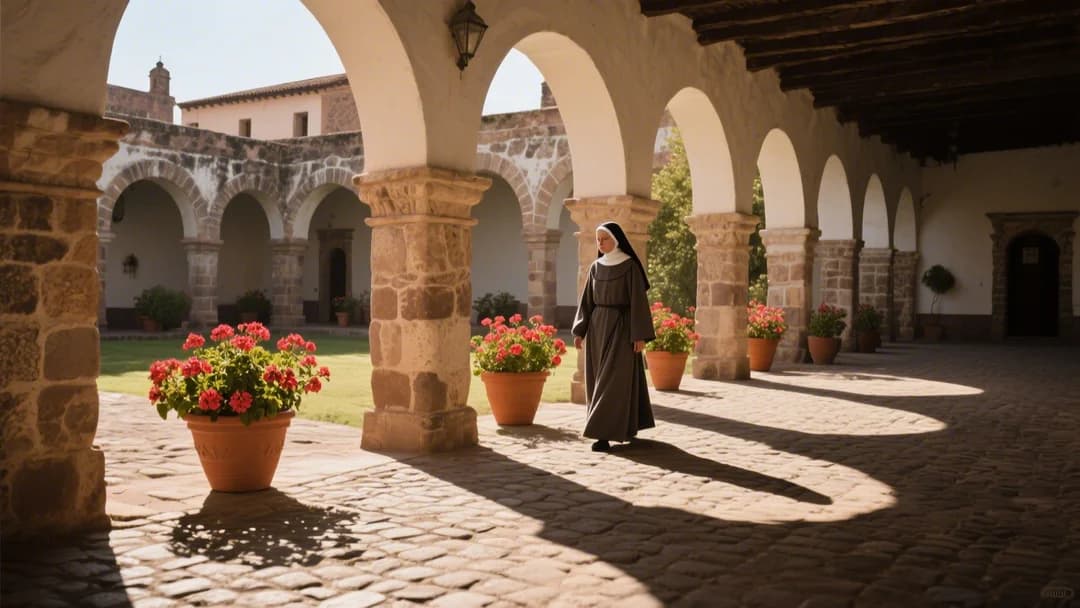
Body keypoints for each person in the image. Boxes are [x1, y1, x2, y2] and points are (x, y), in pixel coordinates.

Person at [572, 221, 656, 452]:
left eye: (604, 238)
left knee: (613, 381)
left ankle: (601, 434)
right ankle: (624, 426)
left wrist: (639, 334)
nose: (600, 243)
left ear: (616, 240)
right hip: (598, 329)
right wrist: (580, 330)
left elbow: (638, 302)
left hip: (622, 328)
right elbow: (587, 301)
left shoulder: (629, 267)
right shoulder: (595, 267)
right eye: (598, 239)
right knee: (600, 380)